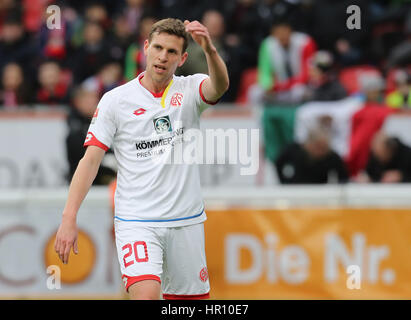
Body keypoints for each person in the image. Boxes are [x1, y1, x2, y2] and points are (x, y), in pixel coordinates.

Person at [54, 18, 229, 300]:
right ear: (146, 48)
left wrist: (209, 50)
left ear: (183, 58)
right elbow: (90, 160)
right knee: (145, 296)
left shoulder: (190, 90)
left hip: (186, 221)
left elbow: (219, 86)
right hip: (137, 220)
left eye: (172, 52)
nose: (163, 56)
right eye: (158, 47)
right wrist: (69, 217)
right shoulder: (115, 100)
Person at [275, 126, 349, 184]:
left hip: (320, 191)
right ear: (308, 143)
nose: (321, 151)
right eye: (318, 147)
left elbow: (343, 177)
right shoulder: (293, 150)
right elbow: (278, 162)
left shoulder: (331, 156)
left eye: (325, 148)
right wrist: (284, 182)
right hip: (295, 189)